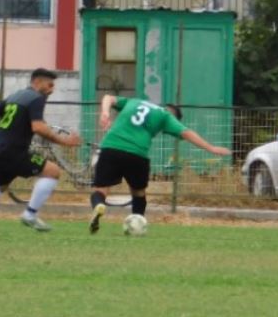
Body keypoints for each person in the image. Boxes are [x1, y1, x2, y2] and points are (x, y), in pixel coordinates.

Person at [88, 95, 231, 233]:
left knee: (100, 189)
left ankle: (99, 205)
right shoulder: (165, 116)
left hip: (111, 146)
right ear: (174, 116)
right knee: (138, 192)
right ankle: (137, 223)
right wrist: (211, 148)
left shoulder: (135, 101)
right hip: (137, 153)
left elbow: (108, 97)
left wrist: (105, 113)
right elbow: (186, 132)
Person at [0, 68, 81, 232]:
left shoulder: (16, 96)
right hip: (13, 151)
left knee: (0, 185)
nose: (52, 90)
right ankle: (30, 215)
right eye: (50, 85)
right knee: (53, 171)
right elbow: (38, 127)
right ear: (37, 82)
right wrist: (65, 142)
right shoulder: (36, 98)